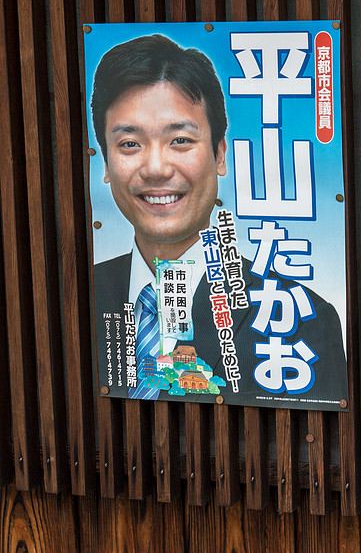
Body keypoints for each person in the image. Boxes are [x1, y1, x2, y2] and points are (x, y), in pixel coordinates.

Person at [91, 34, 346, 406]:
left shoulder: (302, 319)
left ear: (220, 154)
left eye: (179, 140)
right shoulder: (74, 298)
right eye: (130, 143)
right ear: (106, 162)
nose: (156, 168)